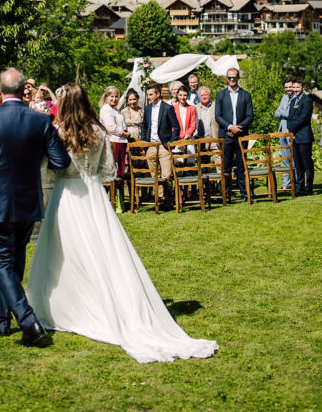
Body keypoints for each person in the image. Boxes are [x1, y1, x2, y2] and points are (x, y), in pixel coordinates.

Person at [26, 83, 219, 363]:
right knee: (102, 250)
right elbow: (109, 171)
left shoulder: (57, 132)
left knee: (64, 251)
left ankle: (68, 306)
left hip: (65, 195)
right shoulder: (98, 131)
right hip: (93, 195)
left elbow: (47, 166)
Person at [0, 67, 71, 346]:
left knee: (0, 262)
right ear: (23, 90)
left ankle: (28, 321)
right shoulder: (39, 121)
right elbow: (60, 161)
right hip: (28, 201)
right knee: (14, 262)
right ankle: (1, 320)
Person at [214, 65, 254, 202]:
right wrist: (230, 127)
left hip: (241, 135)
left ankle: (244, 194)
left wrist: (238, 128)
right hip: (226, 135)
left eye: (234, 77)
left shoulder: (246, 95)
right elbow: (218, 115)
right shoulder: (220, 95)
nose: (232, 80)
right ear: (227, 78)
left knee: (242, 165)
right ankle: (226, 195)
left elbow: (250, 115)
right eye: (229, 77)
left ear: (238, 78)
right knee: (226, 166)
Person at [140, 82, 180, 209]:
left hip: (163, 145)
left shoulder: (167, 108)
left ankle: (168, 200)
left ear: (158, 94)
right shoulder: (147, 109)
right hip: (151, 145)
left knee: (166, 175)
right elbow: (145, 127)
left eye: (151, 94)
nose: (149, 97)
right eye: (148, 95)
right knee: (154, 175)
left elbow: (176, 127)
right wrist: (145, 144)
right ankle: (159, 199)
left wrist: (170, 143)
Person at [287, 77, 314, 196]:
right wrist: (289, 131)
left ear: (303, 88)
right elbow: (290, 117)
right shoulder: (293, 101)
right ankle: (299, 187)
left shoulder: (307, 101)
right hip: (294, 137)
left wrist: (291, 128)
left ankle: (309, 188)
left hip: (304, 136)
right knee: (297, 164)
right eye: (294, 87)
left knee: (306, 163)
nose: (295, 89)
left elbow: (303, 119)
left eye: (298, 87)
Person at [99, 86, 129, 187]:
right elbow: (111, 127)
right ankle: (111, 198)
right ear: (106, 97)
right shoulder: (106, 109)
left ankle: (118, 198)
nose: (114, 99)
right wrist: (124, 133)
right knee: (113, 171)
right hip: (113, 142)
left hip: (121, 142)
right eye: (112, 96)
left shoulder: (115, 110)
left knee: (120, 171)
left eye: (116, 97)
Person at [274, 76, 295, 190]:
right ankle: (286, 184)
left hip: (291, 131)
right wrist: (284, 112)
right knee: (285, 159)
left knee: (293, 158)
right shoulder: (284, 98)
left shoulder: (296, 98)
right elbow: (276, 113)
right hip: (282, 130)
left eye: (290, 87)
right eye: (286, 87)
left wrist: (283, 112)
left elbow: (291, 114)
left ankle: (294, 183)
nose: (288, 89)